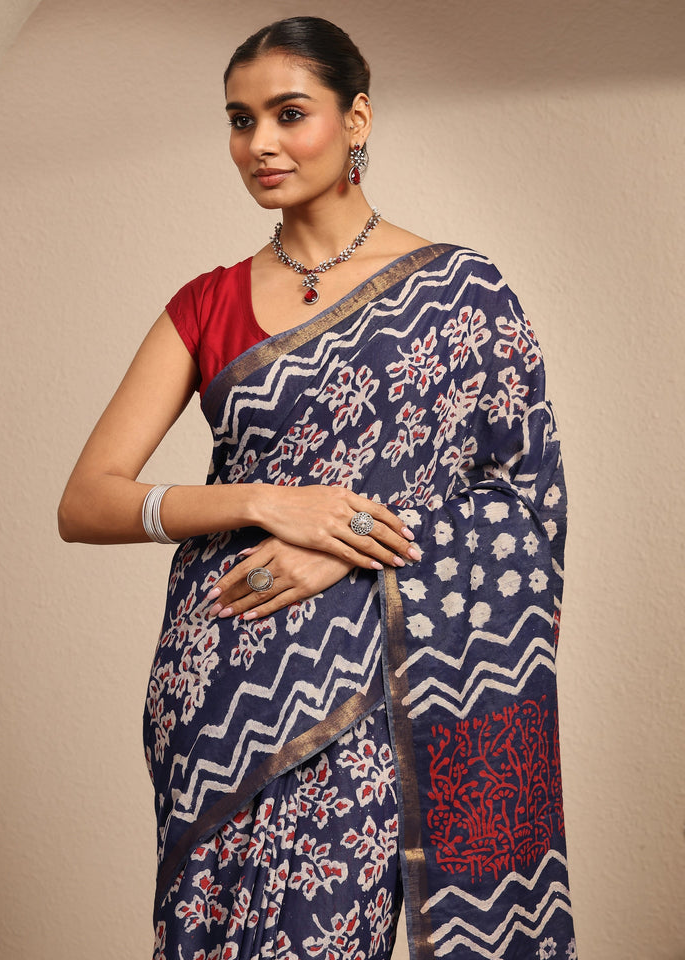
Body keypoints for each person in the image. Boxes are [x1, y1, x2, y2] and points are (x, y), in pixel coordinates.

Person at [59, 16, 577, 960]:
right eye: (240, 119)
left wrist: (347, 545)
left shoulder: (464, 293)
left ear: (356, 119)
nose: (260, 142)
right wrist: (266, 502)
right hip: (219, 685)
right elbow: (87, 500)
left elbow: (523, 508)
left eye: (289, 114)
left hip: (382, 686)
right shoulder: (206, 303)